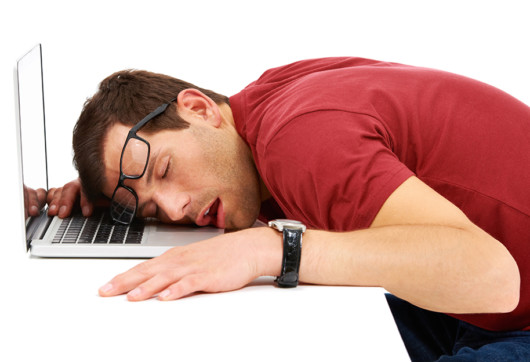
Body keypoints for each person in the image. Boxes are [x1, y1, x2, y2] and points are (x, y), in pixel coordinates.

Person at [47, 57, 530, 361]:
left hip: (502, 300)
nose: (176, 209)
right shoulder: (264, 104)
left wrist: (273, 248)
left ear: (198, 109)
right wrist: (114, 191)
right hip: (474, 308)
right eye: (150, 205)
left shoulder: (297, 140)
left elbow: (494, 276)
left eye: (166, 169)